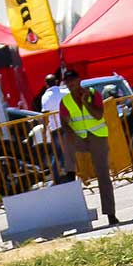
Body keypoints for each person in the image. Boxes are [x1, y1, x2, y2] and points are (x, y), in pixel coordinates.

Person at [58, 69, 117, 226]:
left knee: (102, 174)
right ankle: (70, 172)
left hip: (97, 136)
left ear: (79, 80)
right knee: (64, 138)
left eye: (72, 80)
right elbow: (64, 122)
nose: (70, 84)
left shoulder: (93, 94)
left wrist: (85, 102)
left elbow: (98, 115)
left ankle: (110, 213)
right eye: (67, 82)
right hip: (80, 137)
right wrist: (70, 133)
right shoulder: (65, 101)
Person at [39, 73, 67, 179]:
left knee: (58, 153)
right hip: (68, 126)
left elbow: (45, 116)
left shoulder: (45, 97)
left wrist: (44, 132)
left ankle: (56, 177)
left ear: (46, 84)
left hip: (55, 128)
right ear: (56, 81)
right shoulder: (65, 92)